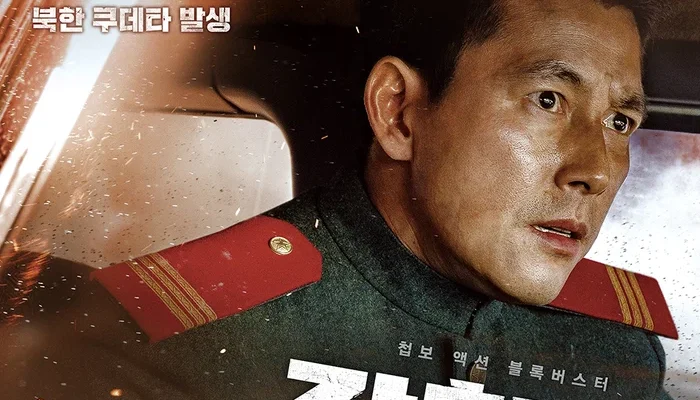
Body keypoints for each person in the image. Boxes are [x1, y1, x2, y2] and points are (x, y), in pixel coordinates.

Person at [0, 0, 678, 399]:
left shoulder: (617, 353)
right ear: (399, 112)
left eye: (620, 122)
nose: (597, 170)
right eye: (548, 100)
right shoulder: (174, 344)